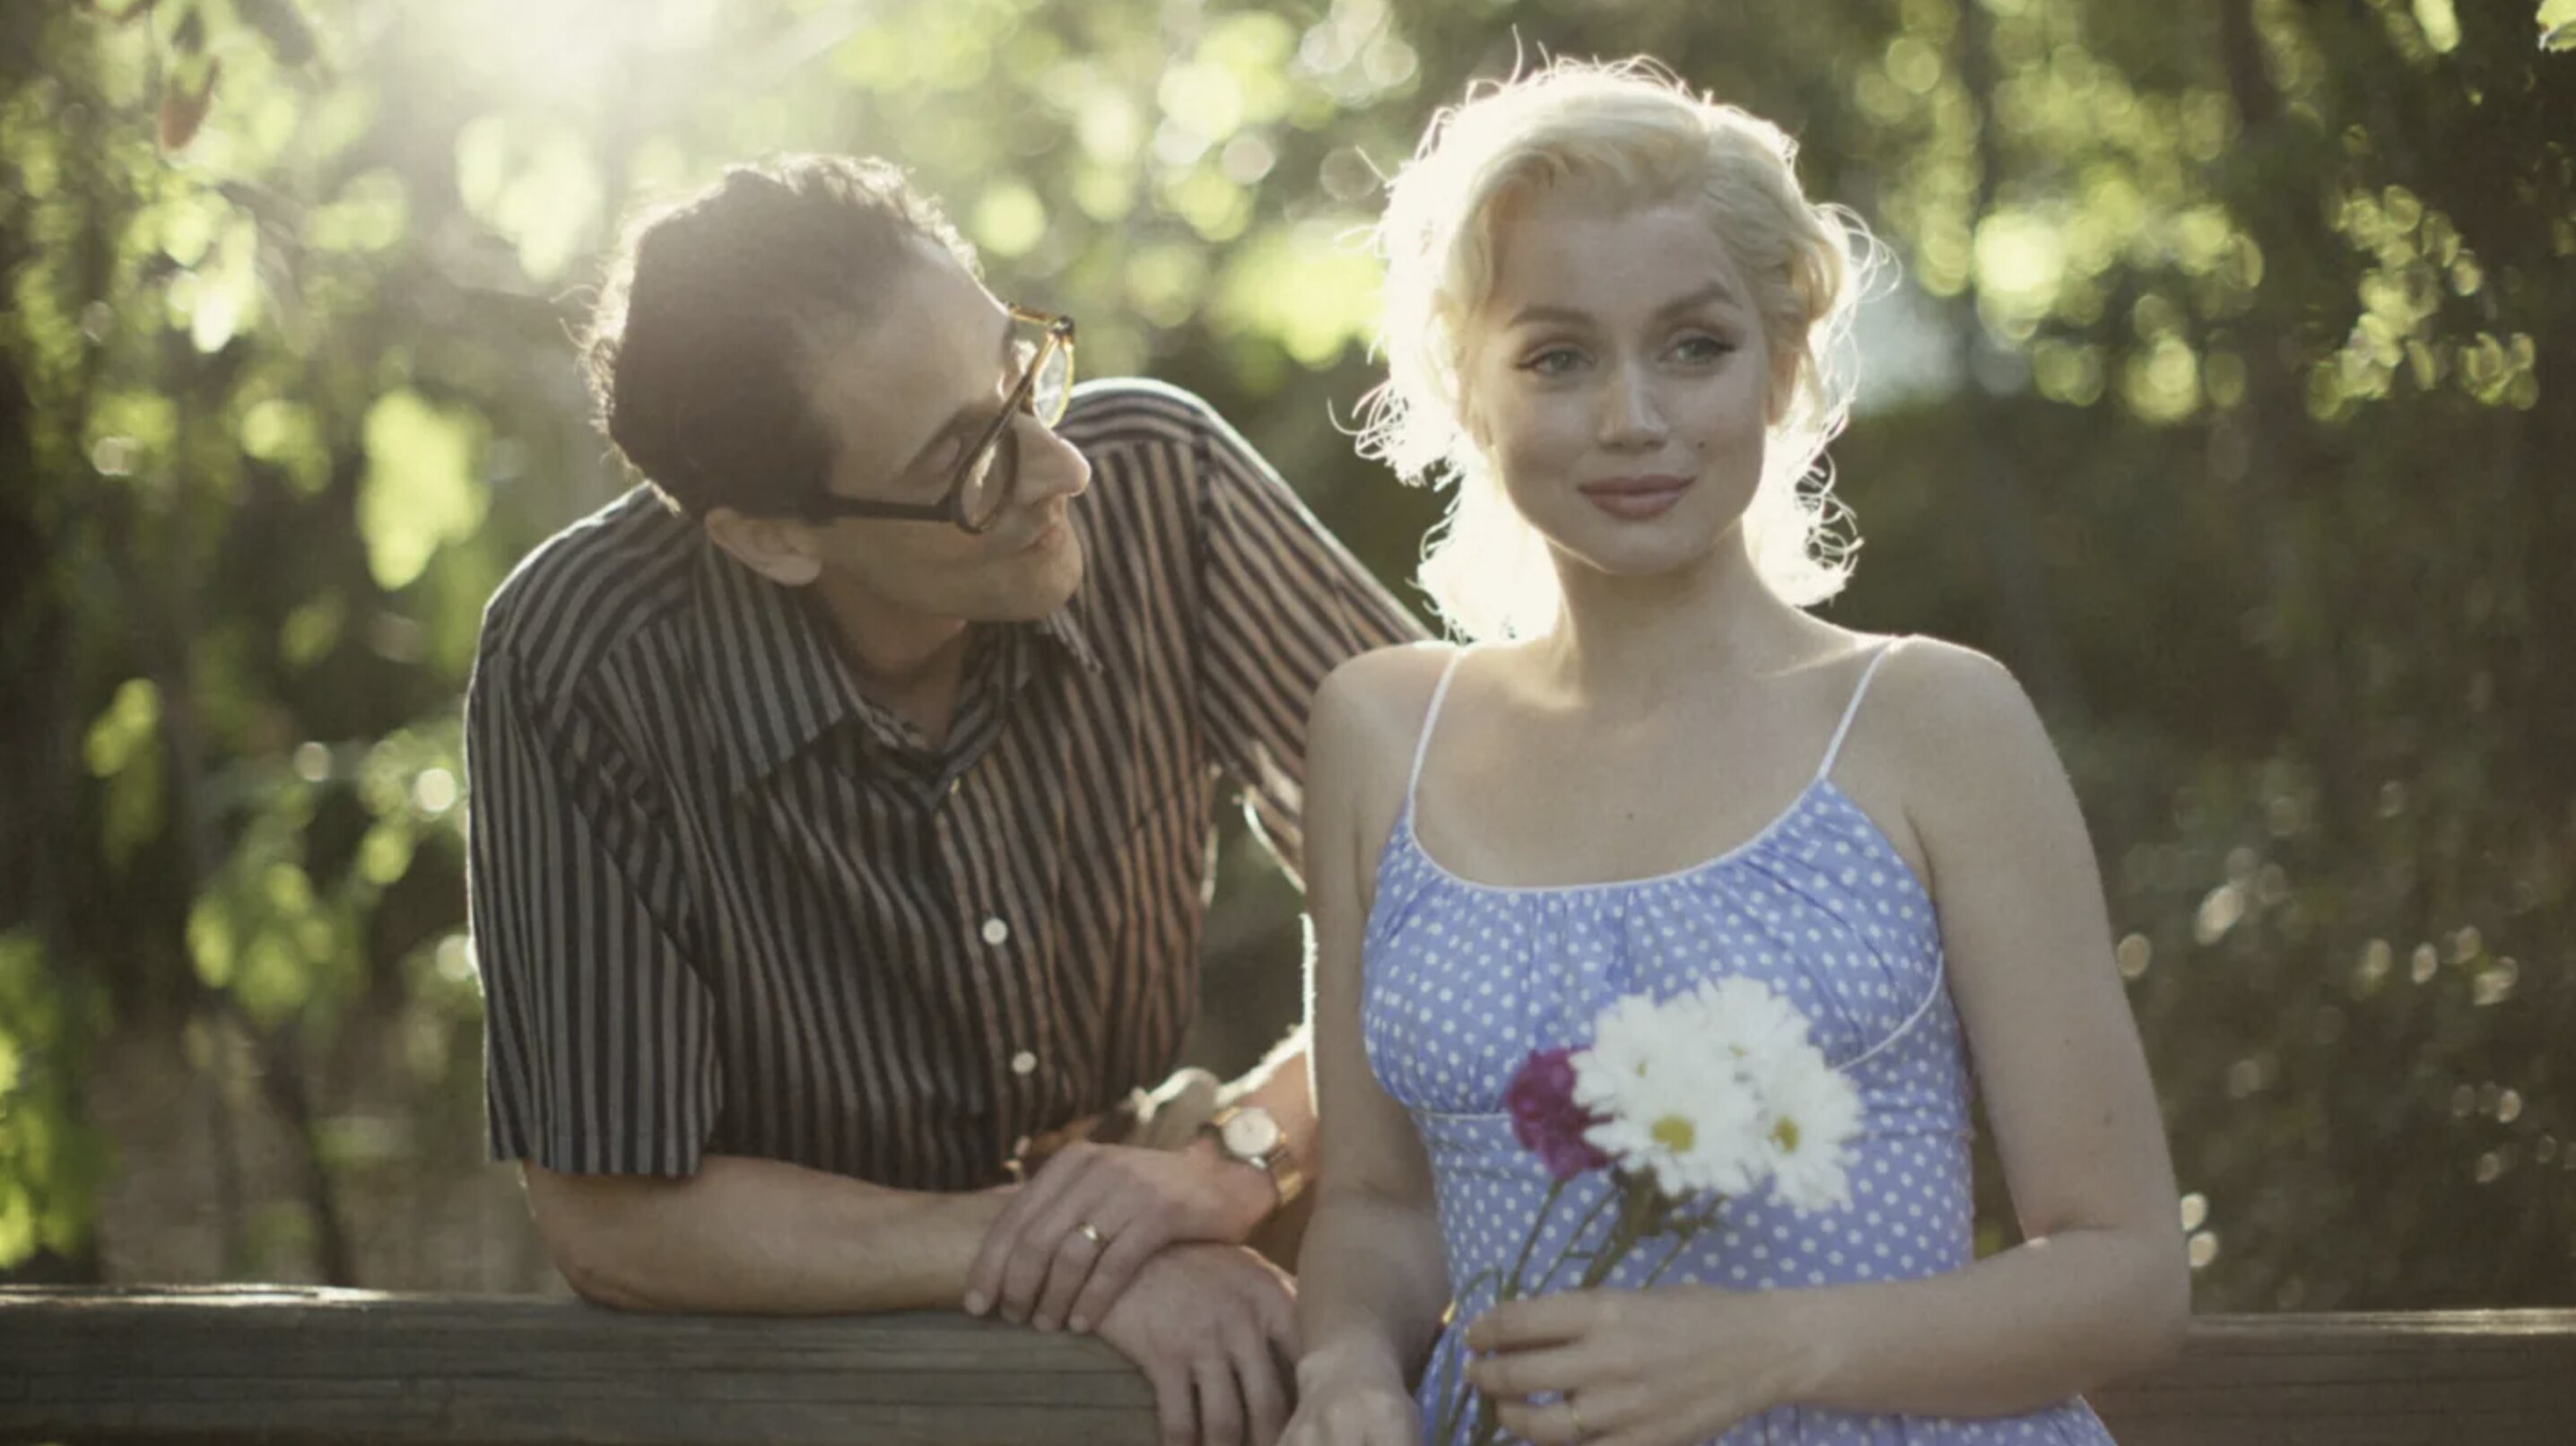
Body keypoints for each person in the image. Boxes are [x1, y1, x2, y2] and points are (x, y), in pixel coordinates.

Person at [1283, 61, 2187, 1446]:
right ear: (1467, 385)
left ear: (1782, 364)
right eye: (1559, 355)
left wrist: (1770, 1347)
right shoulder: (1379, 733)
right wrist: (1345, 1370)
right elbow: (1380, 1207)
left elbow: (2126, 1277)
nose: (1634, 416)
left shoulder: (1934, 721)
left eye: (1695, 345)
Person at [462, 154, 1422, 1445]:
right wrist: (1086, 1261)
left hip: (1172, 1178)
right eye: (971, 457)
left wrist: (1229, 1166)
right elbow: (616, 1217)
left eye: (1021, 373)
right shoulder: (582, 660)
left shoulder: (1160, 478)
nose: (1058, 469)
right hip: (791, 1356)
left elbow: (1476, 880)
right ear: (772, 537)